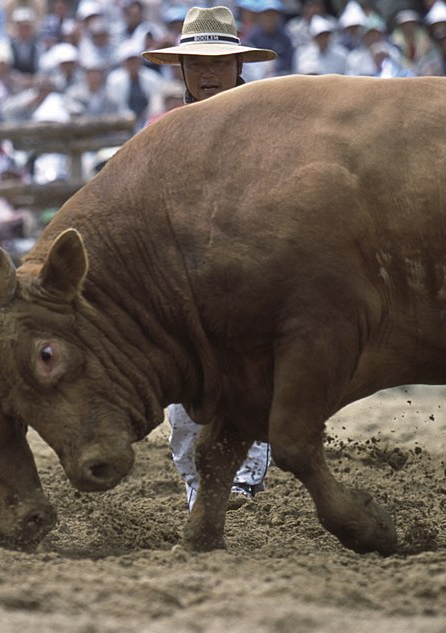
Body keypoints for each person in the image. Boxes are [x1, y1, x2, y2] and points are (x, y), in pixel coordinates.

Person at [143, 5, 277, 510]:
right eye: (195, 64)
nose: (206, 73)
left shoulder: (267, 129)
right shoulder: (162, 132)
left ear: (237, 68)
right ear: (181, 71)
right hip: (183, 277)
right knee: (186, 388)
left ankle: (241, 479)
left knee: (248, 373)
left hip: (249, 271)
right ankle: (199, 485)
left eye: (217, 64)